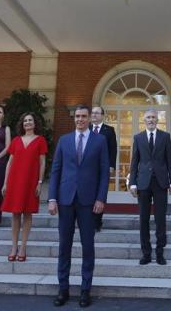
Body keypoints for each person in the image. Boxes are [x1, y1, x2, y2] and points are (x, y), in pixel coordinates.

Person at [48, 105, 109, 308]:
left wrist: (101, 198)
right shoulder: (64, 140)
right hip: (65, 200)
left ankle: (85, 290)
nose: (80, 119)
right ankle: (63, 289)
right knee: (64, 246)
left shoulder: (99, 141)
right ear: (74, 118)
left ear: (90, 119)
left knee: (88, 246)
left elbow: (104, 173)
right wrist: (51, 198)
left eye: (84, 116)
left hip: (89, 201)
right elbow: (55, 170)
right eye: (77, 116)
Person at [128, 108, 171, 266]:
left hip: (161, 182)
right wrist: (132, 183)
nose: (151, 120)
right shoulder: (138, 138)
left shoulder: (165, 137)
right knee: (144, 219)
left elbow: (170, 160)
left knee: (160, 219)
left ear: (157, 120)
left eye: (153, 117)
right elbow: (134, 162)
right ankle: (146, 253)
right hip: (143, 183)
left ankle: (160, 253)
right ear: (144, 120)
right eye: (148, 117)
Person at [2, 112, 49, 261]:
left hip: (30, 182)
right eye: (25, 121)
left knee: (27, 214)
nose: (27, 123)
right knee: (15, 214)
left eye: (30, 120)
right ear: (22, 124)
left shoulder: (41, 140)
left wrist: (40, 182)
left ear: (35, 124)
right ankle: (13, 247)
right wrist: (5, 183)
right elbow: (9, 162)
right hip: (15, 181)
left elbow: (42, 163)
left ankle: (23, 248)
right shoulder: (16, 140)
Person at [90, 105, 116, 233]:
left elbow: (113, 149)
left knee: (100, 194)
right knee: (89, 194)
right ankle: (87, 220)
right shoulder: (86, 128)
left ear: (102, 115)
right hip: (87, 168)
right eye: (92, 113)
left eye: (96, 113)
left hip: (103, 167)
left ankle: (97, 222)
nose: (94, 115)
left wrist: (112, 166)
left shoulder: (109, 130)